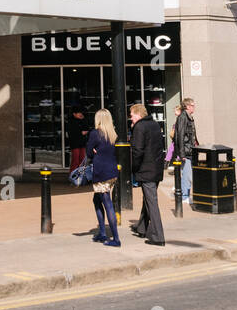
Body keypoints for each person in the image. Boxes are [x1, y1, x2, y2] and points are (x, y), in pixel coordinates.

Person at [129, 103, 166, 246]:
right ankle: (142, 227)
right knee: (148, 199)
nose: (130, 118)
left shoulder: (139, 127)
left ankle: (158, 236)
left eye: (131, 115)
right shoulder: (155, 125)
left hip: (146, 169)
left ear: (138, 114)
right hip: (156, 168)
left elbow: (137, 151)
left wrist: (133, 169)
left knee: (151, 202)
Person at [86, 109, 121, 247]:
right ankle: (102, 233)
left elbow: (89, 152)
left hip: (101, 173)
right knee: (96, 200)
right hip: (112, 171)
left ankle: (116, 239)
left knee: (107, 204)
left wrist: (94, 150)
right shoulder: (112, 134)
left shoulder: (95, 134)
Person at [172, 98, 198, 200]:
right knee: (186, 174)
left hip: (189, 150)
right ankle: (184, 196)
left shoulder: (188, 117)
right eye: (192, 105)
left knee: (188, 173)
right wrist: (182, 153)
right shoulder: (183, 117)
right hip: (186, 151)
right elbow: (180, 136)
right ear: (187, 106)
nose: (194, 107)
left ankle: (185, 195)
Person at [66, 108, 89, 173]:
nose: (80, 114)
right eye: (79, 113)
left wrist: (83, 120)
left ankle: (81, 175)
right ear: (74, 114)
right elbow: (71, 133)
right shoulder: (71, 121)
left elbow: (87, 129)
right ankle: (73, 175)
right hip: (75, 143)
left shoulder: (83, 120)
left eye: (81, 113)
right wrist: (80, 133)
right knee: (75, 160)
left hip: (82, 143)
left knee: (82, 160)